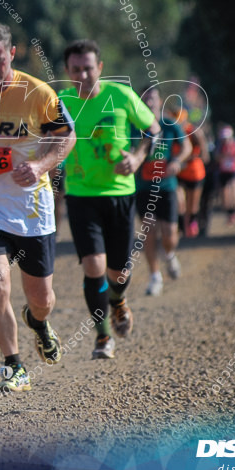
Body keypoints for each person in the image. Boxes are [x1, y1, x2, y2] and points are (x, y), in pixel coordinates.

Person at [0, 23, 75, 393]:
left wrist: (40, 167)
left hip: (31, 210)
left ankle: (38, 323)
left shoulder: (37, 93)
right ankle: (14, 366)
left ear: (12, 54)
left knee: (42, 299)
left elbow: (66, 136)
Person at [59, 40, 160, 359]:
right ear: (67, 72)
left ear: (99, 68)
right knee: (93, 266)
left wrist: (138, 157)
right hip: (80, 195)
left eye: (88, 68)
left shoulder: (120, 95)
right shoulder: (59, 102)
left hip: (119, 194)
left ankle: (118, 300)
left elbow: (153, 129)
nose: (82, 75)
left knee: (118, 273)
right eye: (76, 69)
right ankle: (103, 337)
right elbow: (42, 138)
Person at [136, 88, 192, 296]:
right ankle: (154, 277)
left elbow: (186, 147)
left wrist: (177, 161)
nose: (150, 101)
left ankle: (169, 255)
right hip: (142, 188)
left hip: (166, 186)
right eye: (145, 98)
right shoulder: (135, 126)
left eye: (153, 97)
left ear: (160, 100)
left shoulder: (170, 124)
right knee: (148, 232)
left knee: (169, 235)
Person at [176, 114, 210, 238]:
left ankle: (190, 224)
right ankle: (180, 226)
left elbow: (204, 156)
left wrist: (187, 159)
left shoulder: (193, 132)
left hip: (195, 174)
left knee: (192, 205)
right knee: (179, 200)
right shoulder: (170, 132)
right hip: (178, 173)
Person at [215, 124, 235, 223]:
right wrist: (223, 156)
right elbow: (217, 158)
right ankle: (229, 213)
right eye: (224, 138)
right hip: (223, 172)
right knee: (225, 197)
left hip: (234, 171)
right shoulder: (219, 145)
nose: (225, 140)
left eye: (227, 138)